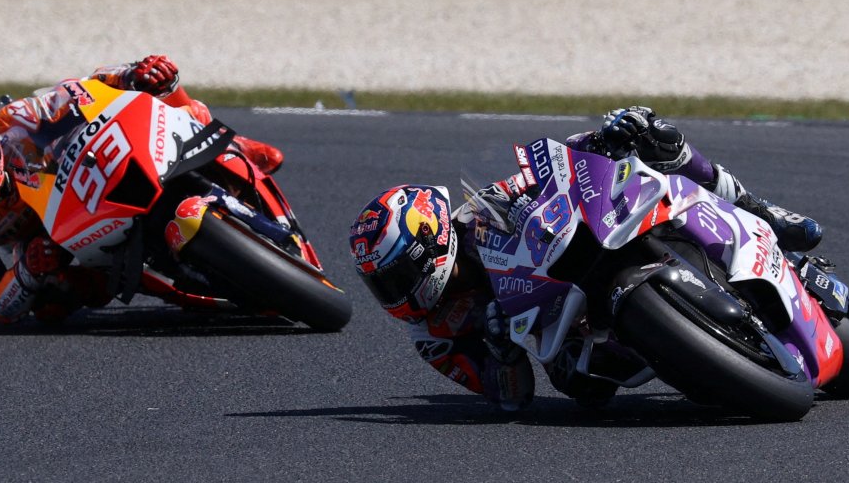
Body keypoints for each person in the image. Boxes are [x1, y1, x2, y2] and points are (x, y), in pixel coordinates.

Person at [348, 106, 824, 411]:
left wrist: (605, 135)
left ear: (430, 242)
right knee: (581, 386)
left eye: (398, 276)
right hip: (566, 334)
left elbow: (553, 165)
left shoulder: (480, 211)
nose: (395, 295)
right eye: (381, 285)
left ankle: (762, 213)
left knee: (655, 140)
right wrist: (500, 350)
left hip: (586, 246)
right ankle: (687, 354)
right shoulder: (434, 335)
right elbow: (510, 398)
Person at [0, 54, 285, 323]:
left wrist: (133, 74)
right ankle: (161, 281)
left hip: (78, 182)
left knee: (158, 92)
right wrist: (24, 273)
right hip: (52, 240)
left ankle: (231, 145)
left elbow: (81, 89)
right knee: (50, 307)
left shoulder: (13, 121)